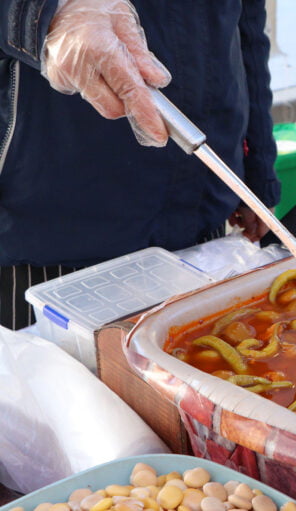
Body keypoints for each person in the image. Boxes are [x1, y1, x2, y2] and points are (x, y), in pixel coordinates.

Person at [0, 0, 281, 329]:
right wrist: (44, 12)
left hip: (203, 201)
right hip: (51, 225)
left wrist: (256, 168)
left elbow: (248, 25)